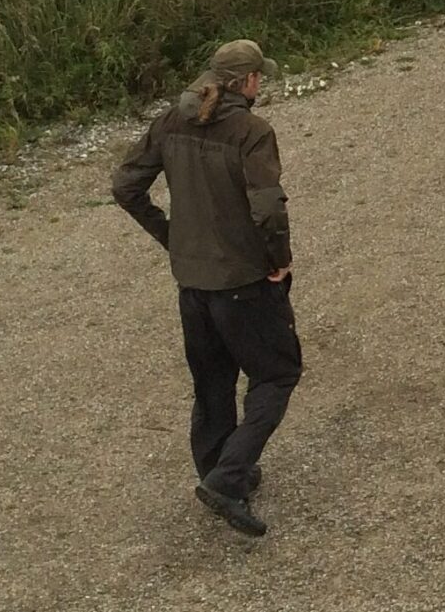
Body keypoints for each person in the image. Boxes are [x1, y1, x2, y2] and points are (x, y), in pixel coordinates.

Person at [112, 39, 300, 540]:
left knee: (213, 379)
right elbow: (268, 208)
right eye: (261, 77)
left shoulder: (170, 121)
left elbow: (125, 186)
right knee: (277, 374)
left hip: (192, 283)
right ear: (250, 82)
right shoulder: (252, 132)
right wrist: (279, 260)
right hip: (242, 281)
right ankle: (227, 478)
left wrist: (171, 236)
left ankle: (217, 468)